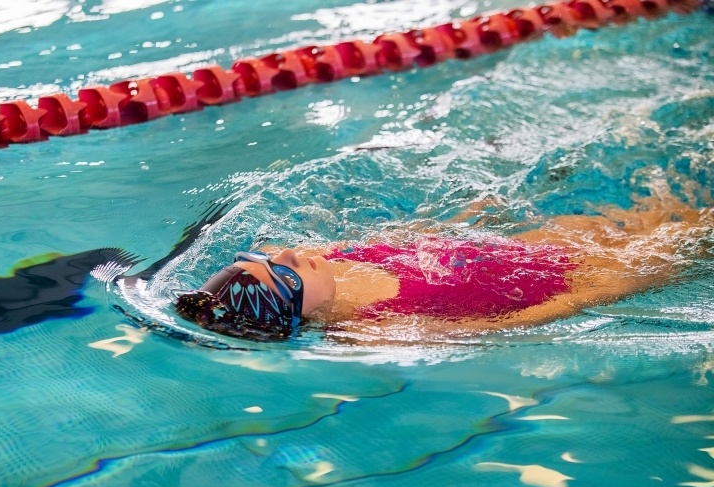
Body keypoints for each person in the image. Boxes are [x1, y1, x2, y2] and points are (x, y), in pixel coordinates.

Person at [175, 183, 712, 341]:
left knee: (664, 203)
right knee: (696, 228)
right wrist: (596, 293)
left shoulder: (332, 259)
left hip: (534, 246)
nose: (289, 252)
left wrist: (477, 218)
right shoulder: (374, 333)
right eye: (283, 270)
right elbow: (505, 325)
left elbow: (417, 240)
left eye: (266, 255)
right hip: (572, 278)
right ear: (294, 313)